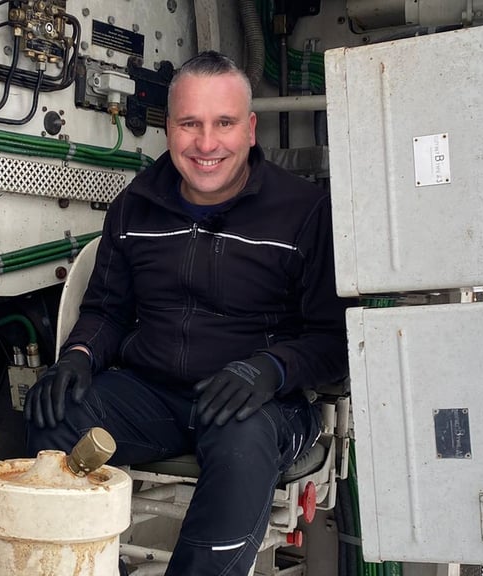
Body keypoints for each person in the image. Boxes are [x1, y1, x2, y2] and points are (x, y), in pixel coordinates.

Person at [24, 51, 349, 575]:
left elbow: (335, 343)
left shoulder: (306, 211)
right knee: (55, 415)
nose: (206, 144)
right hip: (153, 393)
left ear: (250, 129)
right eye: (189, 124)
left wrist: (271, 368)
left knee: (239, 437)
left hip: (265, 404)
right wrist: (78, 358)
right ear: (169, 128)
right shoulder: (135, 206)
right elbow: (107, 310)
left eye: (223, 123)